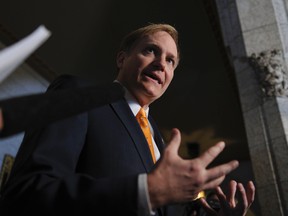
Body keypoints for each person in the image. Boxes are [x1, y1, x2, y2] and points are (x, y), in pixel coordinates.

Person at [0, 23, 255, 216]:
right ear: (122, 59)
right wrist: (146, 191)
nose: (161, 65)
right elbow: (29, 191)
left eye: (170, 61)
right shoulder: (79, 95)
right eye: (151, 51)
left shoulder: (160, 142)